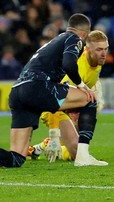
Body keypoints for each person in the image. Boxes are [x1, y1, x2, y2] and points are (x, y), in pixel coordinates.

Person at [0, 13, 106, 167]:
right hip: (38, 86)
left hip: (17, 91)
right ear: (86, 33)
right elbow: (69, 64)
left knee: (16, 158)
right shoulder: (74, 38)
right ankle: (83, 157)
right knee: (90, 98)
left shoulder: (55, 41)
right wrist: (82, 86)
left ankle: (80, 155)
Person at [29, 30, 109, 163]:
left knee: (77, 146)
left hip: (69, 106)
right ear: (87, 49)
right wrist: (54, 133)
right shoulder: (77, 69)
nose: (104, 53)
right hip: (53, 110)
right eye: (99, 49)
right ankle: (50, 143)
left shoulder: (96, 62)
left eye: (106, 49)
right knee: (76, 152)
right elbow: (53, 98)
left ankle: (38, 148)